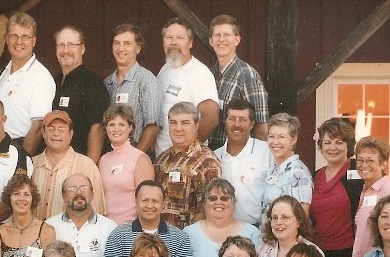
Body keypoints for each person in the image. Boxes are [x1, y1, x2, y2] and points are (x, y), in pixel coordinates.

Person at [102, 181, 196, 257]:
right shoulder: (118, 236)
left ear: (163, 204)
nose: (150, 206)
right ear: (136, 201)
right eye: (145, 200)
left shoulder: (180, 238)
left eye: (155, 201)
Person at [310, 117, 362, 257]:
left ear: (348, 145)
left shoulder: (358, 172)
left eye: (339, 142)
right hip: (320, 253)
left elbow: (380, 187)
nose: (332, 147)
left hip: (348, 253)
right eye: (328, 142)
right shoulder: (316, 175)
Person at [46, 174, 118, 257]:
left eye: (84, 188)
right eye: (72, 189)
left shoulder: (110, 228)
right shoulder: (50, 226)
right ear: (63, 195)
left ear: (92, 193)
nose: (79, 193)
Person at [183, 179, 262, 257]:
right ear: (204, 203)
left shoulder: (252, 233)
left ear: (233, 203)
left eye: (224, 198)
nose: (218, 202)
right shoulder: (189, 233)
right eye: (212, 198)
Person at [0, 12, 56, 154]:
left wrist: (21, 162)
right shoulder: (3, 74)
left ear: (33, 41)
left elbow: (38, 126)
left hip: (22, 149)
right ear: (6, 39)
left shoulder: (41, 76)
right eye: (14, 36)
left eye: (25, 37)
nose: (19, 42)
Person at [155, 17, 220, 153]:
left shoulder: (199, 73)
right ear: (163, 42)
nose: (174, 42)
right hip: (163, 157)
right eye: (169, 37)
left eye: (180, 38)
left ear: (190, 43)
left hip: (188, 160)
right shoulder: (164, 70)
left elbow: (211, 118)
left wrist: (186, 151)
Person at [154, 101, 221, 229]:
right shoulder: (162, 159)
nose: (178, 128)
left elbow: (206, 210)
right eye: (173, 122)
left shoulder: (206, 162)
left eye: (185, 123)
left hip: (186, 241)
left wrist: (189, 240)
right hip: (158, 238)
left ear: (196, 126)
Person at [207, 15, 268, 149]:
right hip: (211, 154)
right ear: (211, 41)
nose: (221, 39)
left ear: (237, 40)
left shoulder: (247, 75)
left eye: (227, 35)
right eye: (217, 35)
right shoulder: (208, 75)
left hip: (237, 155)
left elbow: (261, 130)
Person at [31, 110, 105, 219]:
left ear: (71, 134)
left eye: (61, 129)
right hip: (35, 234)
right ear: (43, 132)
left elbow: (97, 211)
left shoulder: (86, 165)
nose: (56, 133)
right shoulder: (31, 163)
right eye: (51, 128)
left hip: (69, 235)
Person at [51, 25, 109, 162]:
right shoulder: (53, 82)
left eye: (71, 45)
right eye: (61, 45)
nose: (66, 51)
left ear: (82, 49)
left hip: (79, 164)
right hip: (55, 162)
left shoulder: (92, 83)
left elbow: (97, 128)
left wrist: (89, 167)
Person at [213, 100, 273, 226]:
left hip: (258, 230)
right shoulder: (214, 157)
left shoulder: (267, 152)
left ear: (252, 124)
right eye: (232, 118)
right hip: (223, 230)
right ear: (225, 122)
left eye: (242, 119)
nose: (236, 124)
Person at [104, 24, 161, 153]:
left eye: (127, 43)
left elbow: (153, 126)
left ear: (138, 48)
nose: (120, 48)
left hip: (137, 155)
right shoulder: (107, 83)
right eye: (116, 43)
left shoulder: (146, 80)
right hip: (112, 155)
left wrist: (135, 157)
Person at [351, 136, 390, 257]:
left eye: (370, 161)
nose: (364, 165)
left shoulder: (389, 191)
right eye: (360, 160)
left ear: (383, 163)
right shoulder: (365, 190)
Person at [98, 104, 154, 224]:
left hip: (130, 229)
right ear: (106, 128)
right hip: (106, 227)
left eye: (121, 124)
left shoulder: (140, 158)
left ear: (130, 128)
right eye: (111, 124)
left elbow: (147, 200)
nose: (116, 129)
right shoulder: (103, 160)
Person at [261, 112, 312, 217]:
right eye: (271, 136)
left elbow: (301, 217)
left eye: (281, 137)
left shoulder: (297, 173)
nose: (275, 142)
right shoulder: (273, 170)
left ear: (293, 140)